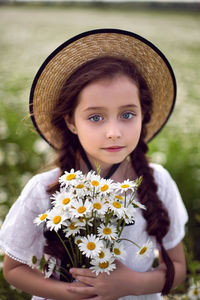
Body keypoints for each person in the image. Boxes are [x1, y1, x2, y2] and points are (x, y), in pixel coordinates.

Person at [0, 29, 188, 300]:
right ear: (70, 121)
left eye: (127, 114)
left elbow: (178, 267)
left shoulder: (159, 182)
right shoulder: (44, 188)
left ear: (143, 115)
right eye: (96, 117)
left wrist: (131, 284)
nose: (113, 132)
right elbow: (14, 269)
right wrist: (70, 292)